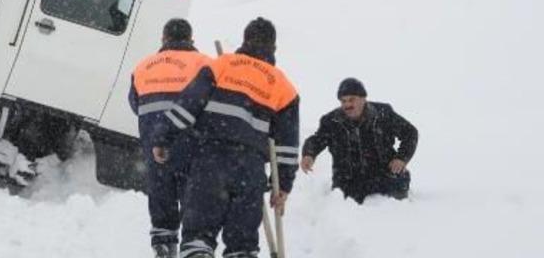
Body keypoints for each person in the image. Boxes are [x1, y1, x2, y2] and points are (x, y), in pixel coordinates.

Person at [153, 17, 300, 258]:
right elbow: (287, 145)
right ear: (273, 48)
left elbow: (187, 106)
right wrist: (282, 185)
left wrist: (163, 138)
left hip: (210, 161)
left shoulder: (221, 65)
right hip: (250, 170)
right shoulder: (284, 87)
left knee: (198, 238)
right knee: (242, 244)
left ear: (244, 40)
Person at [128, 18, 212, 258]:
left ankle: (164, 245)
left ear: (164, 39)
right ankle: (195, 248)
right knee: (193, 197)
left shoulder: (142, 67)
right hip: (192, 144)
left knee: (161, 194)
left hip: (155, 145)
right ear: (191, 39)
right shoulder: (204, 64)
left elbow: (136, 105)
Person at [300, 77, 418, 204]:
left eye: (351, 100)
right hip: (349, 183)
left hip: (385, 177)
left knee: (394, 204)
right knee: (347, 206)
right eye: (343, 101)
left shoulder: (383, 114)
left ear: (363, 99)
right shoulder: (331, 121)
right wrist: (309, 155)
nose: (347, 105)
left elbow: (410, 132)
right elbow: (317, 140)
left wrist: (401, 158)